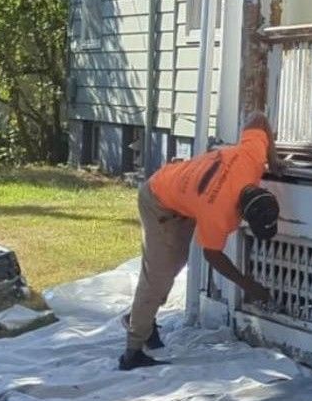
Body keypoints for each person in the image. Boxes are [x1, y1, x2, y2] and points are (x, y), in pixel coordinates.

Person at [119, 111, 282, 370]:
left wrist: (272, 160)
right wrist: (247, 285)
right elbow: (212, 255)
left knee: (174, 263)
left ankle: (142, 319)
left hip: (183, 198)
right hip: (158, 200)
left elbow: (258, 118)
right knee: (159, 274)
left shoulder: (252, 159)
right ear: (241, 214)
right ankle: (132, 351)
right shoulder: (219, 212)